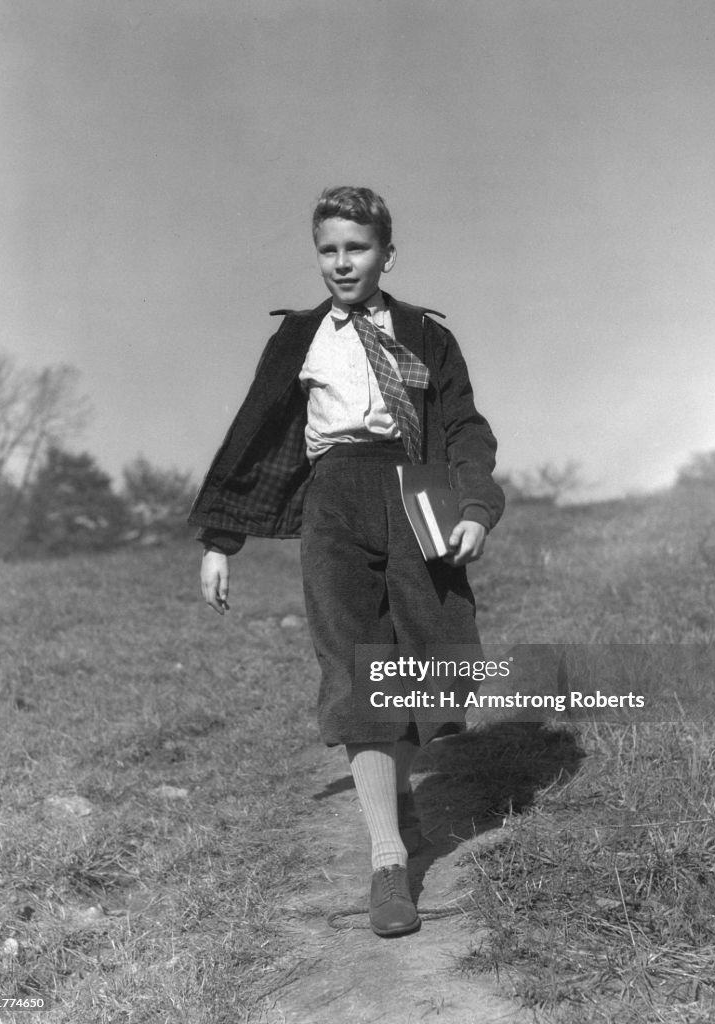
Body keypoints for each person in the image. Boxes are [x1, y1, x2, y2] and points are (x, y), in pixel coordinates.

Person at [189, 186, 504, 937]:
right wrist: (218, 542)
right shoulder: (300, 337)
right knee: (355, 666)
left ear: (386, 254)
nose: (341, 263)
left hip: (414, 492)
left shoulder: (427, 335)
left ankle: (399, 797)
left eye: (356, 249)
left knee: (428, 657)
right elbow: (253, 435)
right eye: (328, 250)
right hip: (332, 503)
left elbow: (462, 426)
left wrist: (474, 508)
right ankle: (389, 863)